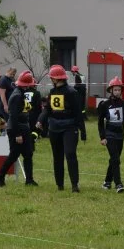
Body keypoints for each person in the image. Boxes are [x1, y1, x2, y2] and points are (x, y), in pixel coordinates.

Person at [37, 64, 85, 192]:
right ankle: (60, 185)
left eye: (52, 77)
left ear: (57, 79)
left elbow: (78, 112)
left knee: (70, 154)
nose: (51, 80)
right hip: (54, 128)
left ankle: (75, 185)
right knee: (57, 157)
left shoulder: (71, 92)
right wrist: (40, 120)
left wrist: (83, 130)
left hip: (69, 128)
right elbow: (47, 109)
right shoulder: (52, 92)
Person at [0, 70, 38, 187]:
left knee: (28, 154)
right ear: (27, 85)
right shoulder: (17, 96)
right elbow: (13, 116)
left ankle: (29, 180)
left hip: (24, 127)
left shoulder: (20, 93)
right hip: (16, 129)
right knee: (14, 154)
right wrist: (18, 134)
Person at [97, 76, 124, 193]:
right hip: (109, 134)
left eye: (119, 90)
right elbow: (100, 122)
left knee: (114, 159)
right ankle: (118, 184)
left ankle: (107, 182)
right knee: (115, 159)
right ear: (110, 90)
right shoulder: (105, 105)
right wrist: (102, 137)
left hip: (120, 135)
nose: (117, 92)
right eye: (115, 90)